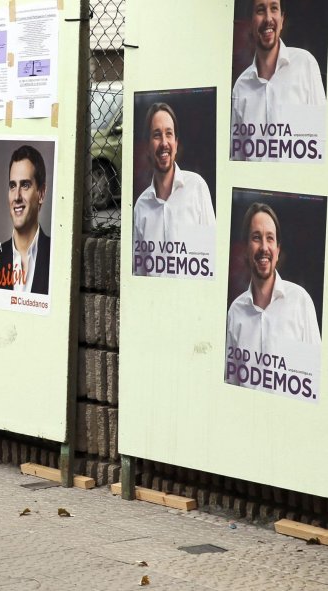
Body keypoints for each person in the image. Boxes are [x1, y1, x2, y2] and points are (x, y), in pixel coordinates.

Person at [225, 202, 321, 388]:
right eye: (256, 237)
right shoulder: (235, 311)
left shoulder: (300, 302)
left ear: (278, 250)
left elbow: (317, 380)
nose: (264, 247)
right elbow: (232, 384)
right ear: (245, 249)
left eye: (270, 238)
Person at [231, 0, 326, 161]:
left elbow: (322, 143)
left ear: (282, 20)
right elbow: (238, 159)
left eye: (274, 9)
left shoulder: (305, 65)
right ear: (251, 23)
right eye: (260, 10)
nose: (268, 18)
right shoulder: (241, 87)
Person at [132, 103, 215, 277]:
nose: (164, 143)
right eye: (156, 135)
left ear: (176, 144)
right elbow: (139, 275)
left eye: (169, 134)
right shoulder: (141, 207)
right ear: (147, 146)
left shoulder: (197, 188)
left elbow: (210, 263)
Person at [0, 145, 52, 294]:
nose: (17, 196)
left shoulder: (54, 256)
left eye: (25, 185)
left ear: (41, 193)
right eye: (13, 186)